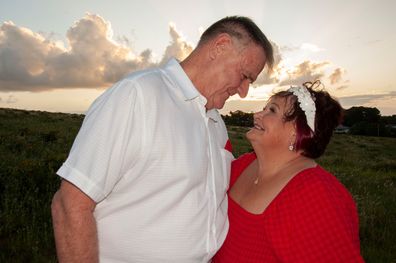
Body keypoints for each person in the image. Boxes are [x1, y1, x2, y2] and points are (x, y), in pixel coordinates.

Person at [51, 16, 274, 262]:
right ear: (220, 46)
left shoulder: (216, 123)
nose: (243, 91)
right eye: (244, 75)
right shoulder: (137, 96)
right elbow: (70, 204)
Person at [212, 81, 365, 262]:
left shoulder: (317, 195)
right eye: (265, 108)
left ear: (296, 130)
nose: (257, 115)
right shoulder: (242, 166)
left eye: (272, 111)